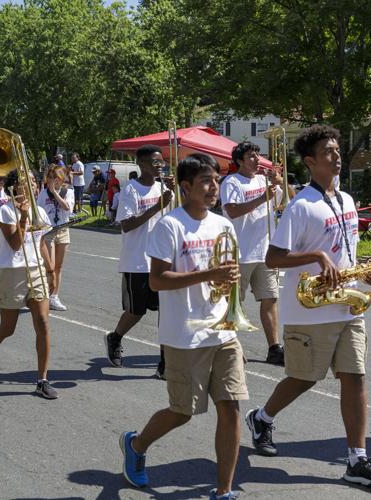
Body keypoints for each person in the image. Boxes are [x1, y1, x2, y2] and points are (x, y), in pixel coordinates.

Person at [245, 125, 371, 489]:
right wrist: (314, 255)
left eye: (337, 149)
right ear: (311, 162)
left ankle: (357, 459)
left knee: (355, 377)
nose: (337, 155)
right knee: (303, 378)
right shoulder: (301, 206)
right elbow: (273, 257)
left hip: (347, 304)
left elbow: (345, 251)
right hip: (309, 309)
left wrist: (366, 274)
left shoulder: (346, 199)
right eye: (328, 151)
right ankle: (262, 418)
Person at [120, 153, 245, 500]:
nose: (213, 187)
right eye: (206, 181)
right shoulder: (169, 225)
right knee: (183, 412)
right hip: (184, 334)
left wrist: (229, 286)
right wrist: (210, 275)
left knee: (231, 406)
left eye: (216, 180)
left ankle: (224, 491)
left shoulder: (223, 224)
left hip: (223, 330)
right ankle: (137, 443)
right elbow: (157, 281)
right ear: (185, 186)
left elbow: (229, 274)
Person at [0, 169, 57, 399]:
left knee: (42, 323)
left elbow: (41, 242)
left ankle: (42, 380)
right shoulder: (6, 210)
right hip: (13, 272)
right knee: (7, 328)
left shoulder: (40, 210)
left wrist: (50, 270)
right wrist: (23, 217)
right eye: (26, 182)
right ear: (15, 188)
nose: (32, 185)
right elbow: (14, 244)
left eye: (33, 181)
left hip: (36, 270)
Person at [104, 145, 172, 376]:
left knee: (168, 311)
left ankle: (165, 363)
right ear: (142, 164)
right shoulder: (131, 190)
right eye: (155, 162)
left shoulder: (164, 189)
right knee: (136, 311)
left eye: (161, 161)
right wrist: (157, 205)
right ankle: (115, 337)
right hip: (137, 261)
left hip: (161, 261)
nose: (160, 166)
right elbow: (126, 224)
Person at [220, 141, 289, 365]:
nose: (257, 160)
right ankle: (230, 347)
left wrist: (282, 183)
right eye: (251, 156)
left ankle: (274, 347)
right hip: (240, 252)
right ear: (239, 160)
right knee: (233, 304)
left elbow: (288, 201)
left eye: (258, 155)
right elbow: (232, 210)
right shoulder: (231, 182)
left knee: (270, 298)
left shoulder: (264, 180)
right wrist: (262, 198)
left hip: (266, 251)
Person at [37, 164, 74, 311]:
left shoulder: (68, 191)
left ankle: (54, 296)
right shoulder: (43, 193)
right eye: (51, 178)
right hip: (49, 232)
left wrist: (56, 193)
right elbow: (39, 212)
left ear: (62, 178)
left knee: (58, 267)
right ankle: (45, 294)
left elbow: (67, 208)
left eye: (56, 178)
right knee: (50, 267)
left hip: (63, 231)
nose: (53, 181)